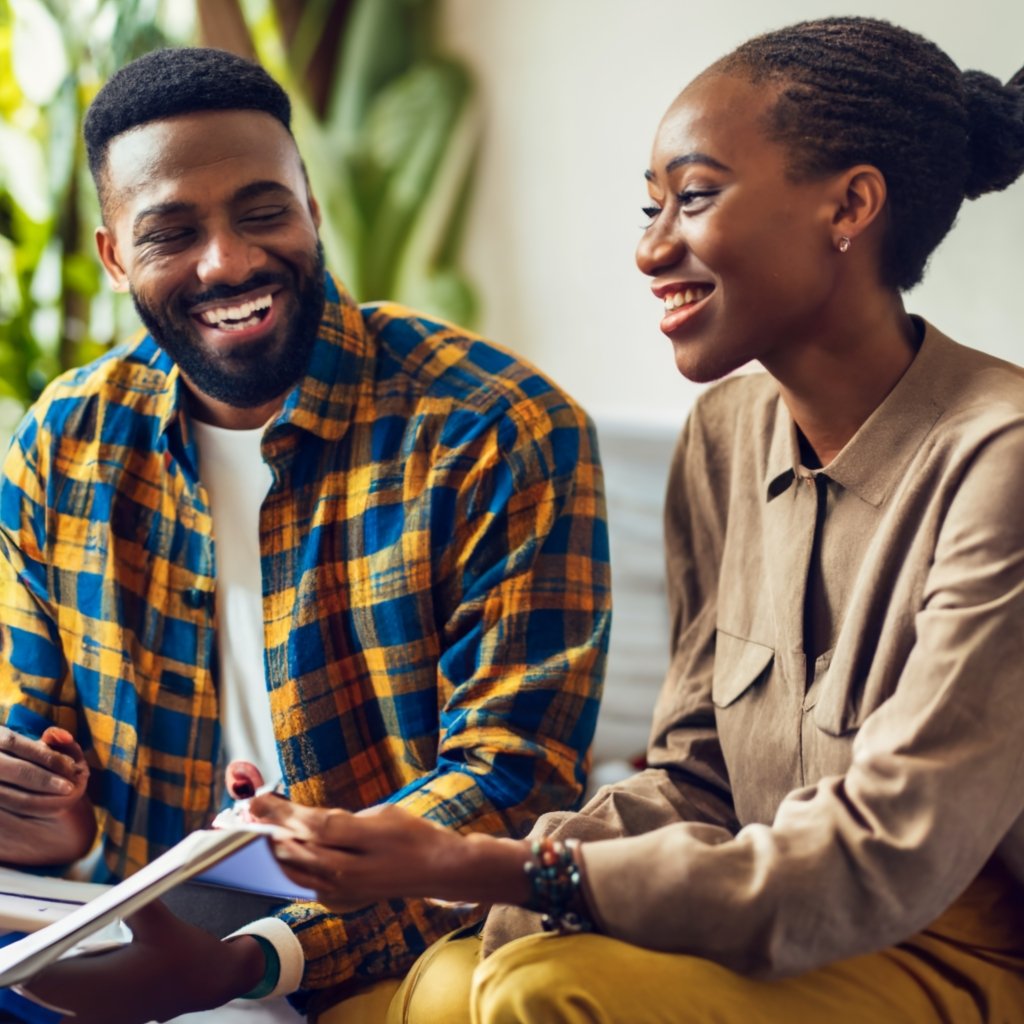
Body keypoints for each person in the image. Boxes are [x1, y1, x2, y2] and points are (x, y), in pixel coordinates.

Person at [246, 16, 1024, 1023]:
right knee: (442, 987)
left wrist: (509, 872)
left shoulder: (998, 459)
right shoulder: (725, 437)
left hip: (949, 949)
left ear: (851, 205)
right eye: (649, 206)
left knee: (543, 986)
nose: (651, 247)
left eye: (693, 198)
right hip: (753, 909)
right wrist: (460, 861)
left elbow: (876, 858)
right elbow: (695, 781)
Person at [0, 46, 611, 1023]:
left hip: (365, 935)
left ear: (311, 209)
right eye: (171, 231)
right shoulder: (64, 442)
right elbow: (41, 771)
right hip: (127, 913)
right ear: (115, 256)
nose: (230, 261)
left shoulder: (494, 426)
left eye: (261, 211)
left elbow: (508, 787)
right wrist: (39, 818)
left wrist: (252, 957)